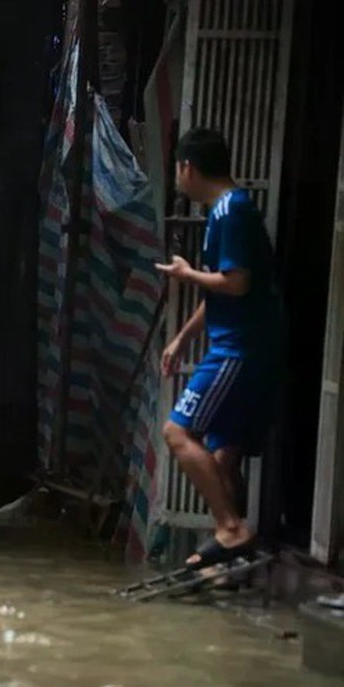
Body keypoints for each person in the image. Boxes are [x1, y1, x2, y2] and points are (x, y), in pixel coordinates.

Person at [155, 128, 284, 569]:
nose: (177, 177)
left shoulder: (230, 211)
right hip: (244, 342)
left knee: (177, 433)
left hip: (238, 348)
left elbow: (236, 283)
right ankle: (230, 560)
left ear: (188, 168)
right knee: (222, 453)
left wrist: (187, 275)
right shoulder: (226, 210)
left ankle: (231, 529)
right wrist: (182, 338)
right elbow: (223, 293)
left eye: (177, 169)